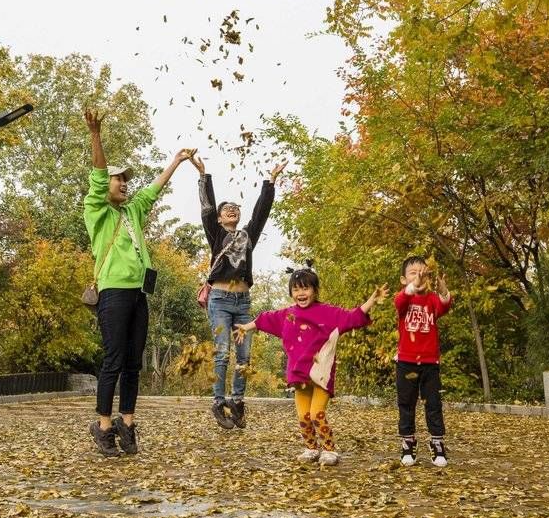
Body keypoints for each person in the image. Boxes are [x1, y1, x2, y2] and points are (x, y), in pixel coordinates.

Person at [84, 108, 194, 457]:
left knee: (134, 362)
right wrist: (96, 134)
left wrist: (175, 162)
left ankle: (127, 424)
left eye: (125, 179)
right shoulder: (97, 210)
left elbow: (152, 191)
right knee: (113, 359)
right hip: (113, 291)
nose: (124, 183)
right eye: (119, 179)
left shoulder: (132, 211)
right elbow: (98, 176)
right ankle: (102, 426)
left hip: (138, 293)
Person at [235, 265, 388, 466]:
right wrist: (246, 328)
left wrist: (371, 301)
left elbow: (352, 317)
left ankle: (329, 450)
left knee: (317, 414)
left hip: (320, 373)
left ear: (315, 291)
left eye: (305, 288)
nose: (301, 293)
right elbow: (265, 318)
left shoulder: (328, 313)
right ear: (291, 293)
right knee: (303, 415)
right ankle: (311, 448)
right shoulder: (287, 315)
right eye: (296, 289)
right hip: (299, 374)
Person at [189, 154, 287, 430]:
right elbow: (206, 208)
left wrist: (270, 181)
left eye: (235, 207)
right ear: (220, 219)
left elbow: (261, 214)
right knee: (222, 353)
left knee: (244, 356)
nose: (232, 209)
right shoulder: (216, 234)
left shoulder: (247, 236)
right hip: (219, 300)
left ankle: (238, 401)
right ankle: (219, 403)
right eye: (226, 208)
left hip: (242, 302)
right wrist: (203, 176)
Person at [394, 256, 452, 467]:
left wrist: (443, 291)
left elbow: (445, 305)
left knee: (433, 404)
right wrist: (412, 287)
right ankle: (408, 442)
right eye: (413, 273)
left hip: (430, 363)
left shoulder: (432, 299)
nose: (419, 276)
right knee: (406, 403)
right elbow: (400, 302)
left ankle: (437, 442)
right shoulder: (404, 299)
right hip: (406, 362)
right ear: (404, 279)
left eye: (423, 272)